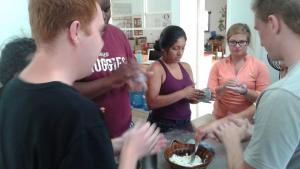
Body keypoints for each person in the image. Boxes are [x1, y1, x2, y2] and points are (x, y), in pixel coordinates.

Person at [0, 1, 165, 169]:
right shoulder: (80, 113)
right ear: (76, 31)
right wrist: (131, 153)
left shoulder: (11, 90)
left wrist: (115, 144)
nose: (101, 44)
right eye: (99, 31)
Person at [195, 0, 300, 168]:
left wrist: (231, 139)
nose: (262, 42)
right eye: (232, 42)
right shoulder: (219, 65)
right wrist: (250, 131)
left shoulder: (282, 94)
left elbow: (264, 101)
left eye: (258, 29)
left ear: (273, 24)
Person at [73, 0, 146, 138]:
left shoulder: (118, 34)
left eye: (107, 10)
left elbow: (131, 67)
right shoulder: (74, 39)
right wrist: (111, 80)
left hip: (124, 128)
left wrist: (135, 77)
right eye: (97, 12)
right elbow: (64, 91)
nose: (103, 17)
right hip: (89, 135)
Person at [146, 25, 215, 132]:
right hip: (163, 124)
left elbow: (190, 99)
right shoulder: (156, 68)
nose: (180, 53)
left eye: (183, 48)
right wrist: (183, 93)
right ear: (164, 48)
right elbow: (151, 103)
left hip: (185, 122)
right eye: (175, 48)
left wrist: (201, 95)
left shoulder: (186, 67)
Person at [207, 23, 270, 119]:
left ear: (248, 42)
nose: (237, 46)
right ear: (227, 42)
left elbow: (264, 99)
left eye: (242, 42)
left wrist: (245, 92)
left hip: (248, 121)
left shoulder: (259, 66)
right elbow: (211, 95)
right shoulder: (217, 66)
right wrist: (224, 87)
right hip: (220, 118)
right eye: (233, 42)